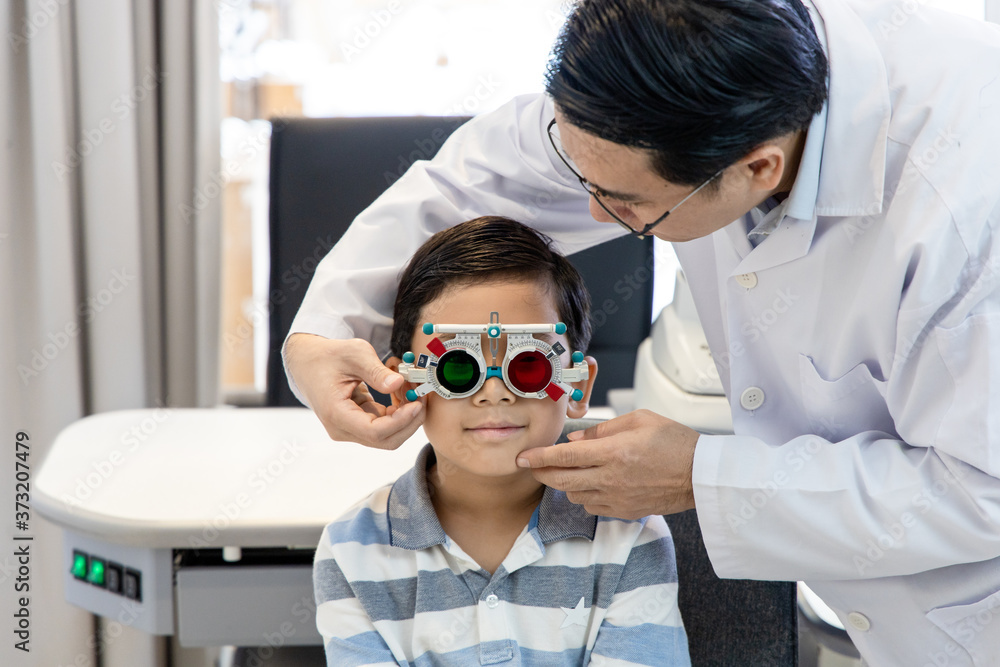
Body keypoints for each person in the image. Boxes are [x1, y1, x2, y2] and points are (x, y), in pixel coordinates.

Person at [290, 1, 1000, 664]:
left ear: (758, 167)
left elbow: (982, 488)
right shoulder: (674, 59)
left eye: (628, 204)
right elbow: (473, 186)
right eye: (458, 369)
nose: (593, 218)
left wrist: (704, 476)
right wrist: (323, 333)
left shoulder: (963, 207)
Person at [312, 216, 691, 666]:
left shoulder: (628, 531)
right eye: (457, 368)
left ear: (577, 387)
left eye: (529, 365)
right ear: (401, 382)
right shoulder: (353, 550)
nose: (495, 392)